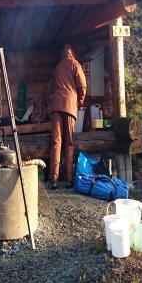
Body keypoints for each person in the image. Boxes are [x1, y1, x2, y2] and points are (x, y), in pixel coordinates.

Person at [49, 44, 87, 190]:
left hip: (56, 106)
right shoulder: (75, 64)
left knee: (56, 143)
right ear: (72, 53)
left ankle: (53, 180)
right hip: (70, 106)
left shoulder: (58, 66)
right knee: (69, 143)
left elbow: (52, 87)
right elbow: (82, 84)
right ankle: (69, 180)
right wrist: (81, 99)